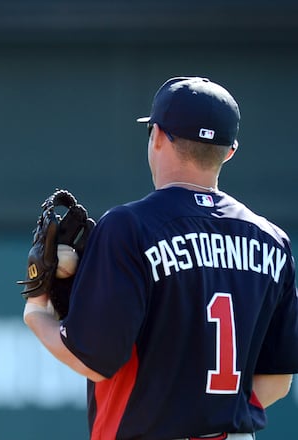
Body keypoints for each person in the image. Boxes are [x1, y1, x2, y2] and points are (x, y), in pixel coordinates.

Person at [23, 77, 298, 439]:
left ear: (157, 136)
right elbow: (277, 382)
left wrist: (38, 309)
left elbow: (93, 360)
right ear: (230, 150)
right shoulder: (271, 240)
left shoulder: (130, 227)